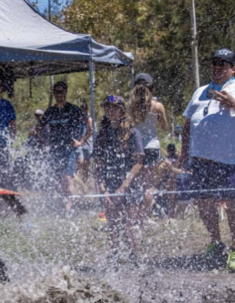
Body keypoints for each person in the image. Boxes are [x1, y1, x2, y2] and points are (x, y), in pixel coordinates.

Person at [180, 48, 235, 272]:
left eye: (224, 63)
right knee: (204, 201)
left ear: (233, 68)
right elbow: (188, 124)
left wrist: (234, 104)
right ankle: (215, 242)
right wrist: (184, 154)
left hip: (231, 158)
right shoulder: (201, 91)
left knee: (233, 202)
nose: (218, 67)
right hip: (201, 158)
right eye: (215, 63)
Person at [94, 95, 144, 263]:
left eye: (114, 107)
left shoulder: (132, 131)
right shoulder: (102, 133)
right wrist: (102, 188)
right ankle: (114, 254)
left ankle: (133, 254)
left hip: (129, 183)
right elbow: (98, 163)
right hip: (109, 182)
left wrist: (123, 187)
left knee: (128, 222)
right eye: (107, 107)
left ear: (122, 110)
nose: (110, 110)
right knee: (113, 222)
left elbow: (138, 163)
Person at [40, 81, 91, 210]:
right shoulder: (50, 111)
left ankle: (71, 205)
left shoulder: (73, 109)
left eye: (61, 91)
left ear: (65, 92)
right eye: (56, 92)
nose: (59, 94)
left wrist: (81, 141)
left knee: (68, 179)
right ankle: (63, 203)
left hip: (68, 149)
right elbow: (38, 127)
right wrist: (44, 140)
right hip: (54, 149)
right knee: (56, 180)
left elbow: (89, 123)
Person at [127, 74, 168, 224]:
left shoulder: (129, 106)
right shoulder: (157, 106)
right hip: (151, 147)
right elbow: (164, 128)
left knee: (134, 183)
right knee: (148, 185)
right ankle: (145, 217)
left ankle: (134, 216)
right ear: (151, 87)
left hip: (135, 147)